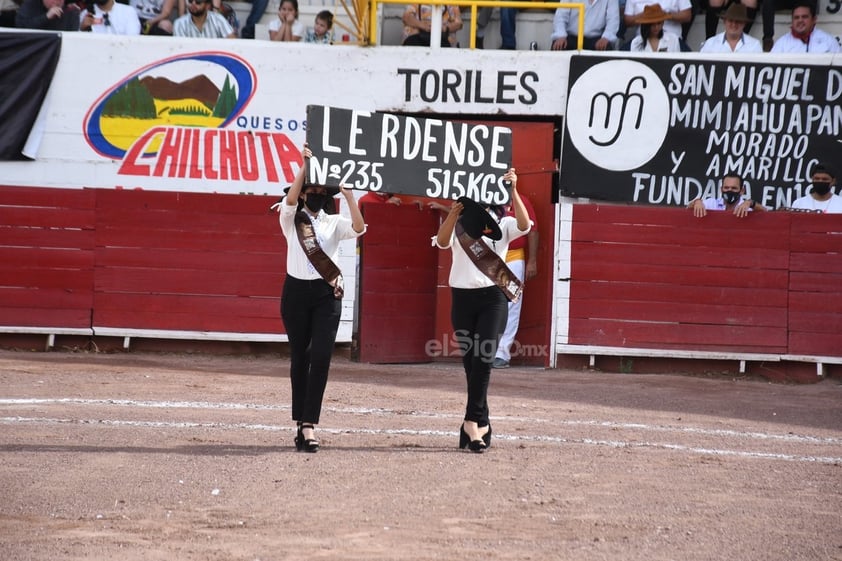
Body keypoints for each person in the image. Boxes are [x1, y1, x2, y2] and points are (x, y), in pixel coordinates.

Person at [272, 145, 365, 453]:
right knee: (300, 357)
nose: (310, 194)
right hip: (296, 293)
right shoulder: (291, 219)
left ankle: (309, 424)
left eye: (316, 190)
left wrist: (350, 197)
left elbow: (359, 228)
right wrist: (304, 167)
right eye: (307, 190)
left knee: (321, 356)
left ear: (325, 196)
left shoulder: (333, 222)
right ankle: (300, 422)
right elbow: (289, 200)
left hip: (327, 295)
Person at [435, 169, 531, 453]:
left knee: (484, 359)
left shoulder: (505, 223)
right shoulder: (460, 225)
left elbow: (526, 225)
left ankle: (470, 423)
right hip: (462, 298)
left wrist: (514, 190)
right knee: (471, 364)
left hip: (493, 299)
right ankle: (481, 422)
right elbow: (441, 242)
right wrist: (453, 213)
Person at [492, 193, 538, 369]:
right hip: (489, 259)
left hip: (513, 258)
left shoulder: (522, 201)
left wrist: (532, 260)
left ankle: (502, 353)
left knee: (511, 305)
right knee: (488, 303)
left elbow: (533, 231)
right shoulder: (484, 198)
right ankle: (487, 350)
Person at [771, 0, 840, 54]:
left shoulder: (828, 41)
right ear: (792, 21)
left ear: (814, 20)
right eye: (796, 17)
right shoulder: (782, 44)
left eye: (804, 17)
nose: (800, 20)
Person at [688, 173, 767, 217]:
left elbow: (766, 213)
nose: (729, 190)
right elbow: (688, 209)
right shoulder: (712, 203)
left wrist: (750, 203)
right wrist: (697, 202)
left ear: (742, 191)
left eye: (734, 188)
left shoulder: (747, 207)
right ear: (721, 189)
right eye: (726, 188)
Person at [550, 0, 620, 51]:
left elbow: (613, 19)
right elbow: (560, 17)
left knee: (606, 47)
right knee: (558, 46)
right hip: (571, 37)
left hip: (596, 39)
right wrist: (561, 36)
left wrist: (606, 38)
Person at [624, 0, 691, 49]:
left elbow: (687, 15)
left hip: (673, 38)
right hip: (642, 38)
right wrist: (647, 15)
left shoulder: (675, 41)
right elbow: (627, 21)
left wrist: (664, 15)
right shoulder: (635, 43)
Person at [15, 0, 80, 30]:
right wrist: (46, 17)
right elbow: (21, 27)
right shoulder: (31, 5)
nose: (58, 2)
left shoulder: (70, 11)